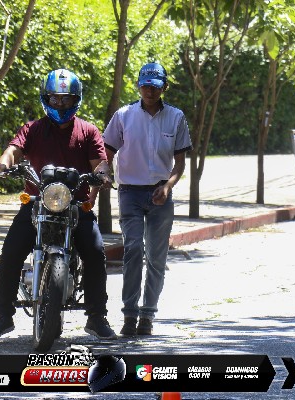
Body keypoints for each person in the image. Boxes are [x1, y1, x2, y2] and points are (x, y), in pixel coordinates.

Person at [0, 69, 117, 340]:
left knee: (95, 252)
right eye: (55, 99)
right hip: (37, 203)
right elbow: (13, 150)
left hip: (75, 205)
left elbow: (100, 163)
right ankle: (3, 315)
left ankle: (97, 317)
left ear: (76, 100)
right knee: (11, 251)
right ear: (46, 99)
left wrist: (103, 175)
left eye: (66, 99)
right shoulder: (32, 129)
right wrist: (3, 164)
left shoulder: (88, 131)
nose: (60, 104)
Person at [102, 62, 192, 336]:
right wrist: (105, 174)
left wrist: (168, 186)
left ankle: (147, 315)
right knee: (132, 250)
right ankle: (129, 314)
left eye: (155, 87)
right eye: (145, 86)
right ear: (138, 86)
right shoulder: (124, 116)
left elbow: (180, 163)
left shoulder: (176, 117)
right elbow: (107, 150)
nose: (149, 91)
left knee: (156, 256)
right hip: (130, 192)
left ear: (164, 88)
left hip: (160, 194)